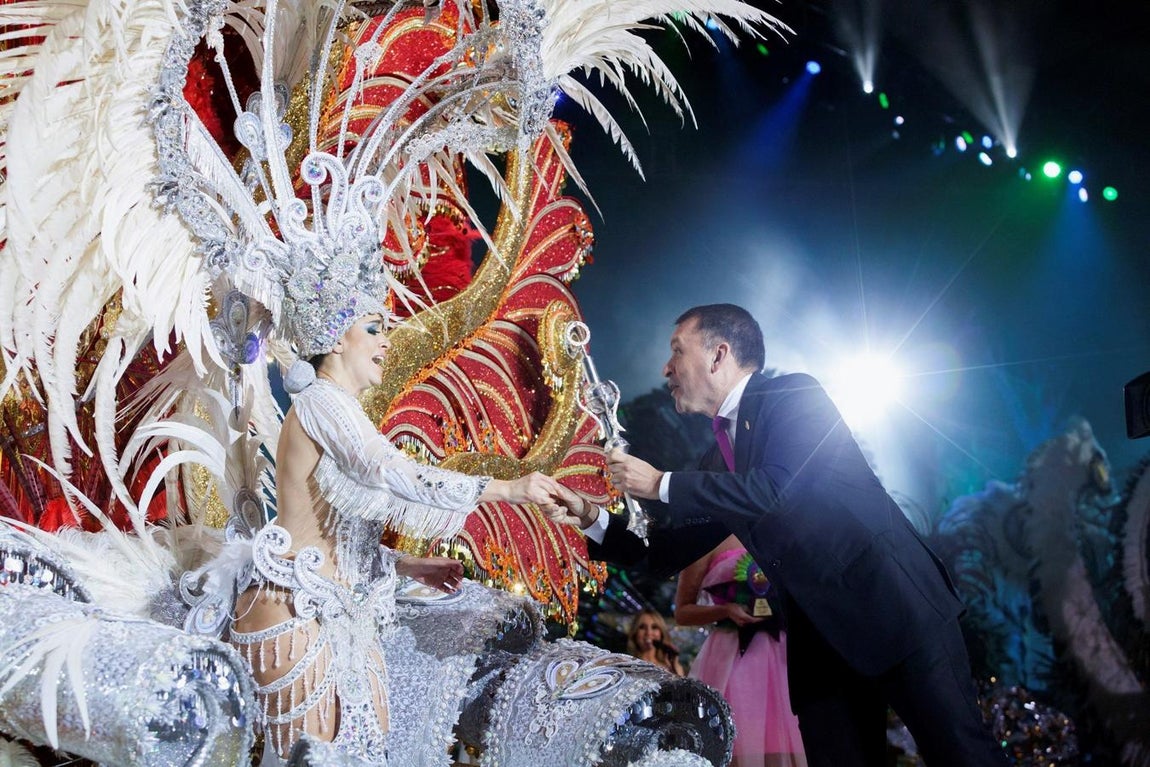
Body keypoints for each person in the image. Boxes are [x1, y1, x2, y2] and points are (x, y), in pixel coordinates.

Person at [548, 304, 1009, 767]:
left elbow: (781, 489)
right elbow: (665, 551)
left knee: (961, 755)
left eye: (676, 351)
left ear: (718, 355)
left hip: (893, 607)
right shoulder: (718, 458)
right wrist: (589, 516)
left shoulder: (794, 395)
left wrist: (661, 483)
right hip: (817, 638)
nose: (666, 368)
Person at [228, 311, 568, 762]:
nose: (386, 342)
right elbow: (388, 472)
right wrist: (506, 488)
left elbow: (338, 529)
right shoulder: (320, 401)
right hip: (296, 609)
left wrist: (405, 565)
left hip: (343, 620)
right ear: (335, 340)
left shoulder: (342, 409)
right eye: (373, 330)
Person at [676, 534, 805, 767]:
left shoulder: (770, 530)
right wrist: (725, 610)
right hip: (732, 655)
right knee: (737, 736)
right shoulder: (704, 539)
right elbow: (682, 611)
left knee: (786, 736)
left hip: (781, 652)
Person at [625, 608, 686, 676]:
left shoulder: (672, 667)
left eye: (654, 627)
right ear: (635, 632)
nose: (648, 632)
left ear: (661, 633)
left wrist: (674, 665)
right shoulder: (626, 665)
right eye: (642, 627)